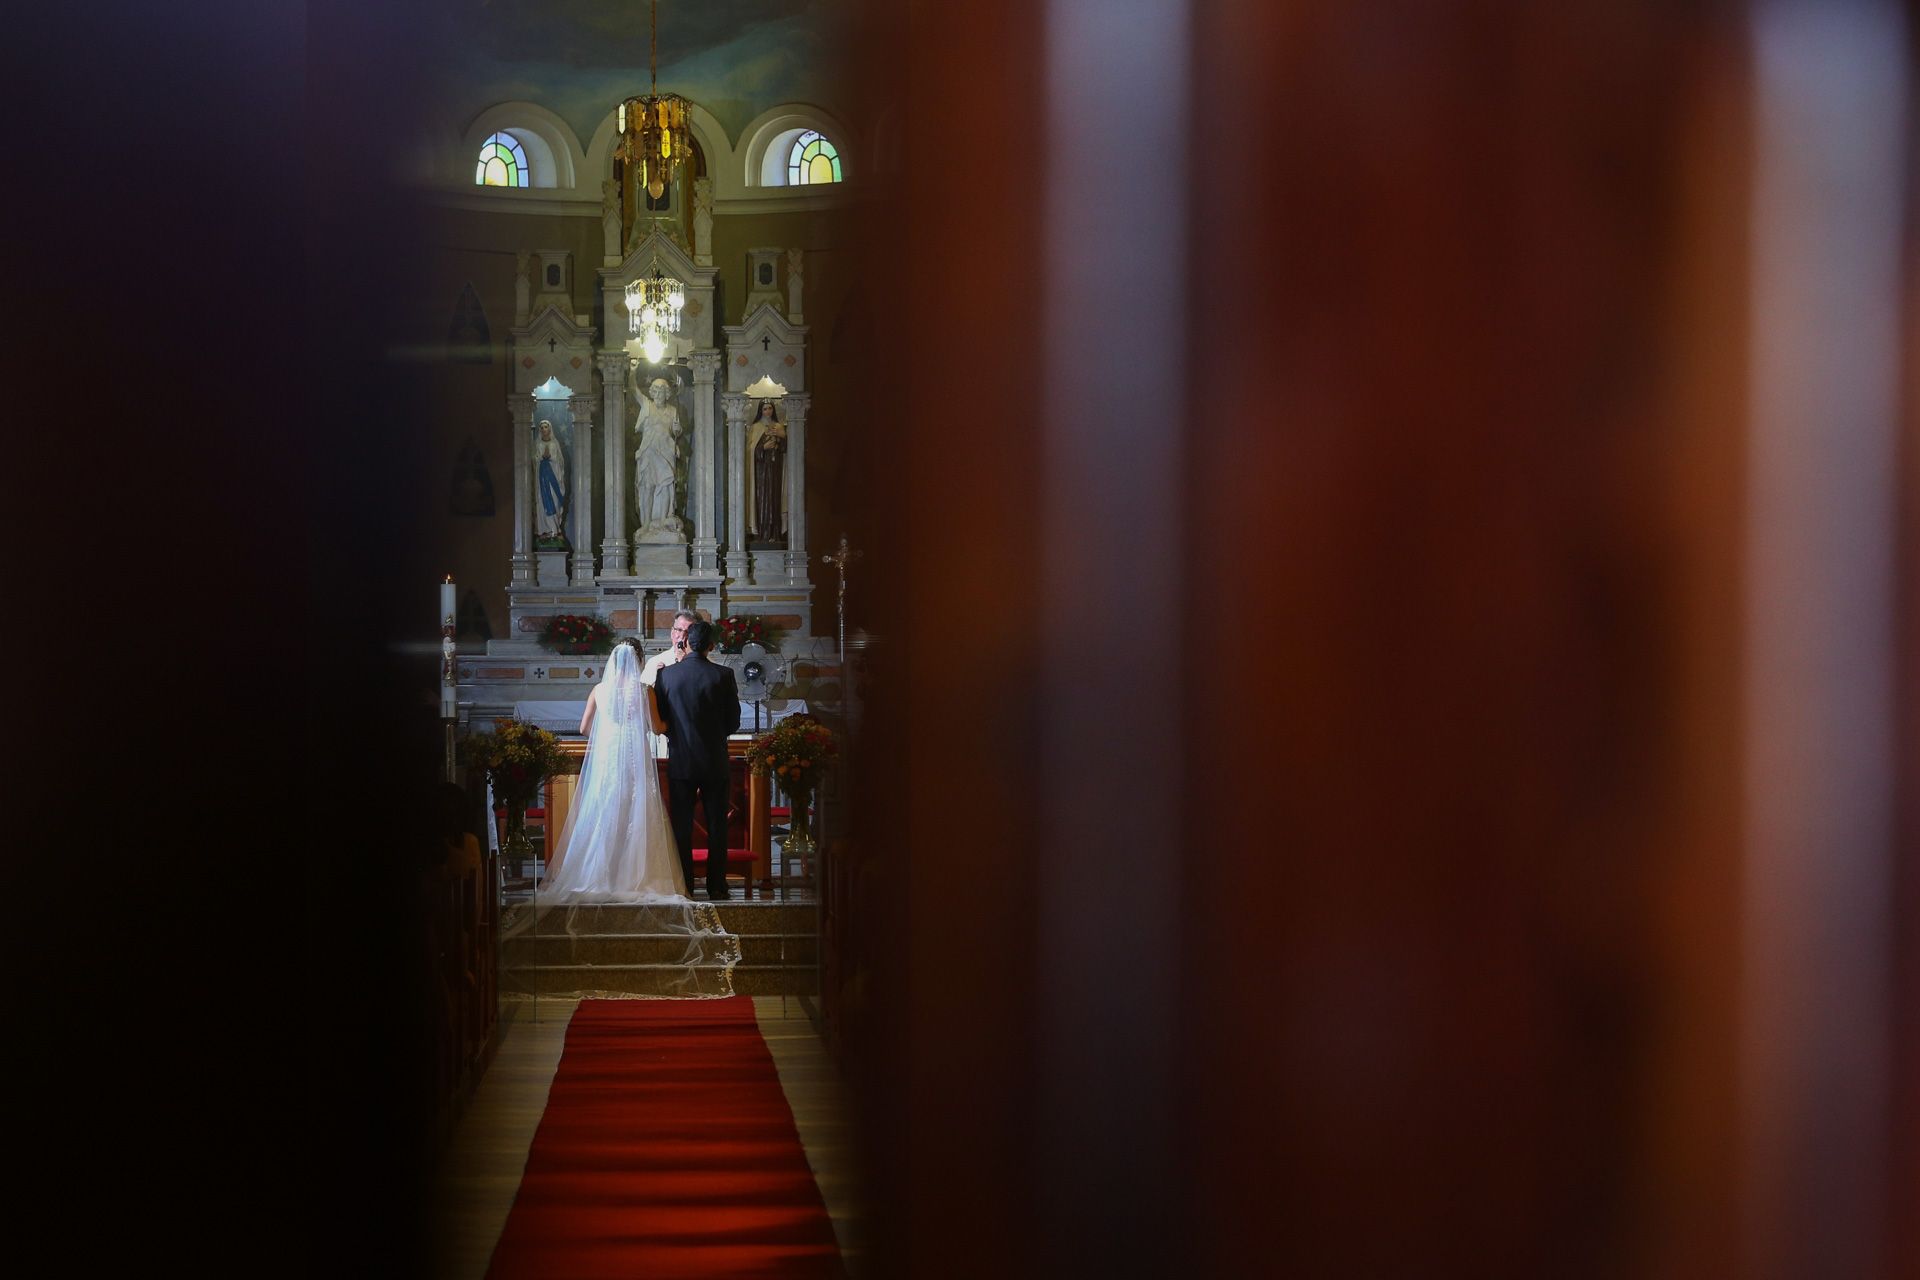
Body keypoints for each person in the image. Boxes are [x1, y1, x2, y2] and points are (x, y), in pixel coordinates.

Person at [536, 640, 686, 900]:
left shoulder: (599, 689)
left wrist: (608, 729)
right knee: (635, 811)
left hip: (608, 758)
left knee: (603, 811)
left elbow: (585, 729)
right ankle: (633, 875)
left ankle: (601, 874)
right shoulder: (643, 691)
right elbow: (658, 728)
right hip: (634, 758)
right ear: (638, 661)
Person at [655, 619, 742, 900]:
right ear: (712, 645)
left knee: (681, 825)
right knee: (717, 825)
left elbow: (662, 720)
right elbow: (733, 723)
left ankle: (685, 885)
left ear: (686, 642)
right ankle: (717, 885)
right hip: (714, 761)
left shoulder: (667, 676)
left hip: (681, 760)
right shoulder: (723, 675)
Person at [631, 376, 683, 539]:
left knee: (666, 484)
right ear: (652, 392)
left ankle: (663, 519)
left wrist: (677, 428)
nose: (659, 393)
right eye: (656, 389)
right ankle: (646, 524)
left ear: (667, 393)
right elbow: (633, 389)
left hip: (666, 451)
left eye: (663, 390)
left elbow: (676, 431)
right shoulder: (647, 405)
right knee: (647, 487)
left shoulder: (673, 410)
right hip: (648, 451)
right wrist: (632, 372)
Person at [747, 399, 787, 544]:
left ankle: (774, 534)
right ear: (760, 411)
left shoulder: (779, 426)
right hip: (761, 473)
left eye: (770, 408)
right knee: (762, 501)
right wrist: (763, 448)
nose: (768, 411)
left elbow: (786, 449)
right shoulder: (755, 427)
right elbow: (750, 451)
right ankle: (762, 533)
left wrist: (782, 437)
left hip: (775, 470)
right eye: (765, 409)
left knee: (774, 500)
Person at [533, 420, 567, 542]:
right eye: (541, 427)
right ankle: (545, 530)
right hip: (542, 479)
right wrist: (541, 458)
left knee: (555, 500)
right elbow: (534, 460)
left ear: (550, 429)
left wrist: (551, 458)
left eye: (546, 427)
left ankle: (555, 529)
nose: (543, 429)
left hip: (554, 479)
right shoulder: (538, 444)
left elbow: (560, 461)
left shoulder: (554, 444)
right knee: (543, 503)